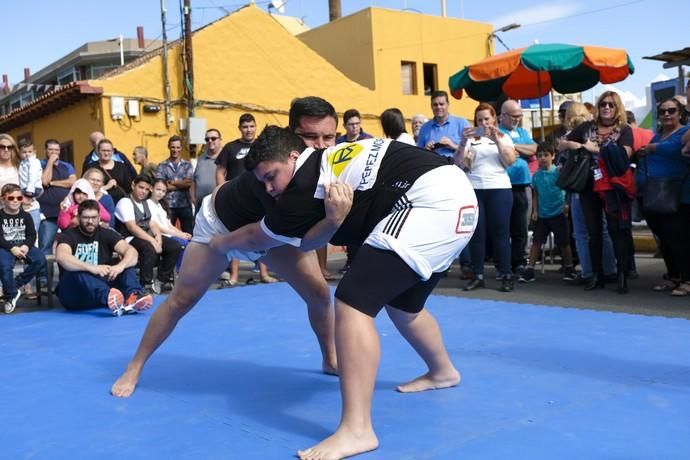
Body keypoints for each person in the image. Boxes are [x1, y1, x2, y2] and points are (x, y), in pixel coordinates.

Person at [210, 126, 478, 460]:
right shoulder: (329, 160)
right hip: (459, 200)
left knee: (352, 303)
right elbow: (310, 242)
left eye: (271, 176)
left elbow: (257, 240)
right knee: (403, 307)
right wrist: (333, 221)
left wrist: (217, 243)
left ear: (293, 157)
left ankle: (357, 430)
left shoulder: (301, 189)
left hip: (430, 204)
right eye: (262, 181)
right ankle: (442, 372)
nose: (268, 188)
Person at [110, 96, 341, 399]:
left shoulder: (330, 164)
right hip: (220, 227)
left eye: (329, 136)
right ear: (292, 137)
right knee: (181, 301)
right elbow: (276, 236)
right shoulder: (270, 174)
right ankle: (135, 366)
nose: (322, 145)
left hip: (267, 234)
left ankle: (330, 358)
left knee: (320, 293)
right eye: (311, 137)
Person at [562, 90, 635, 293]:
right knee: (593, 232)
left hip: (613, 186)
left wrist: (597, 150)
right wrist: (579, 145)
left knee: (616, 231)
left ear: (617, 107)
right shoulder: (586, 127)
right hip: (588, 185)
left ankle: (621, 274)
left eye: (611, 105)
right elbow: (561, 144)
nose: (606, 108)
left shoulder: (625, 129)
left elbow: (625, 156)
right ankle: (596, 275)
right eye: (603, 104)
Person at [456, 103, 517, 292]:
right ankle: (478, 275)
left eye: (487, 119)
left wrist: (496, 139)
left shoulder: (503, 136)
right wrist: (461, 143)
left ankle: (506, 274)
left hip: (498, 188)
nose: (484, 123)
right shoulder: (470, 139)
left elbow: (509, 161)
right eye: (480, 120)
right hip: (474, 188)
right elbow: (461, 164)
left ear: (494, 120)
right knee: (476, 235)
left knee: (501, 234)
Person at [55, 199, 152, 315]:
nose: (90, 221)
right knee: (76, 271)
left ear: (99, 217)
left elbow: (131, 252)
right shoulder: (68, 236)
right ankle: (110, 297)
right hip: (76, 295)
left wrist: (120, 266)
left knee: (126, 265)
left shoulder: (106, 233)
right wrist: (92, 268)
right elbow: (62, 257)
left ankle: (133, 296)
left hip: (102, 292)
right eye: (86, 218)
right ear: (78, 217)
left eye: (94, 217)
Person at [636, 98, 690, 296]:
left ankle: (687, 279)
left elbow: (675, 148)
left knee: (679, 238)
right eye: (663, 111)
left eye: (672, 110)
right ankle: (674, 276)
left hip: (677, 194)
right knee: (664, 240)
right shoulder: (656, 136)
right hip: (654, 194)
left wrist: (651, 148)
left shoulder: (685, 132)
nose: (667, 114)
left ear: (680, 113)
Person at [558, 102, 617, 285]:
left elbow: (561, 159)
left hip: (580, 185)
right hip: (600, 182)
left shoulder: (571, 135)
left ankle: (588, 271)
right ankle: (609, 269)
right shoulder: (596, 131)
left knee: (582, 232)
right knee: (603, 229)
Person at [214, 114, 274, 285]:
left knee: (264, 235)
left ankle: (264, 274)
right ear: (240, 128)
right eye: (245, 127)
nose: (248, 130)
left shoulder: (263, 147)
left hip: (261, 198)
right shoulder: (231, 148)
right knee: (235, 236)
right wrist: (221, 190)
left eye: (251, 126)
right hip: (236, 199)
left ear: (256, 127)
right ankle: (233, 276)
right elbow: (220, 170)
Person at [115, 175, 182, 294]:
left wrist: (158, 238)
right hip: (129, 238)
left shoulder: (145, 203)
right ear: (133, 185)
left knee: (174, 246)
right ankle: (145, 284)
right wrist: (152, 241)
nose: (144, 192)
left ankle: (161, 280)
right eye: (141, 187)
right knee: (149, 248)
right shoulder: (125, 202)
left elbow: (152, 223)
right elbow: (132, 227)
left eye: (146, 189)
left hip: (145, 236)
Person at [521, 141, 575, 282]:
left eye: (546, 155)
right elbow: (536, 194)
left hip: (559, 213)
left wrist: (567, 205)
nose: (543, 158)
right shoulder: (536, 176)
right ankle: (530, 269)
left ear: (553, 156)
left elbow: (568, 190)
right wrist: (535, 211)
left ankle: (569, 268)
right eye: (539, 156)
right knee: (536, 242)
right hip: (543, 215)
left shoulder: (558, 172)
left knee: (564, 242)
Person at [498, 100, 537, 279]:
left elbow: (534, 148)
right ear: (503, 115)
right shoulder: (497, 132)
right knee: (503, 228)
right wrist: (520, 150)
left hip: (523, 185)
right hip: (503, 185)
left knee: (521, 228)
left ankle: (518, 263)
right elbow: (503, 150)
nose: (517, 119)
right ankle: (503, 265)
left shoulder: (522, 132)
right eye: (514, 116)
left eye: (519, 116)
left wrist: (512, 148)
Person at [0, 183, 45, 314]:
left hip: (24, 245)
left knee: (40, 259)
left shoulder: (26, 215)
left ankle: (15, 285)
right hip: (5, 247)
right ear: (3, 199)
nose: (15, 201)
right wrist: (12, 248)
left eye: (19, 198)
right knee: (4, 265)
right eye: (11, 198)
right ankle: (11, 295)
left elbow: (32, 234)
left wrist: (26, 246)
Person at [38, 139, 76, 256]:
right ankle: (45, 274)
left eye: (57, 150)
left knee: (70, 243)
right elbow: (45, 181)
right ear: (45, 150)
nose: (54, 153)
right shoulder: (40, 164)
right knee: (45, 246)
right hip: (48, 213)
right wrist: (50, 163)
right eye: (51, 150)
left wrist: (53, 183)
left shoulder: (66, 166)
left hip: (66, 212)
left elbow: (72, 181)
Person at [156, 135, 195, 234]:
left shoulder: (187, 165)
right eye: (173, 147)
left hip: (185, 205)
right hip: (168, 206)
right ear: (168, 147)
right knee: (169, 233)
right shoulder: (162, 165)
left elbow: (189, 183)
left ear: (181, 148)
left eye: (178, 147)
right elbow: (161, 186)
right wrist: (181, 184)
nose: (175, 150)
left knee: (189, 233)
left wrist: (172, 182)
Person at [416, 90, 471, 158]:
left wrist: (452, 145)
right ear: (431, 106)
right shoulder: (424, 128)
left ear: (448, 104)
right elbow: (418, 156)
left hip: (456, 166)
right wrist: (426, 150)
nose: (438, 107)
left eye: (441, 104)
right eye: (435, 105)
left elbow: (471, 151)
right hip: (434, 166)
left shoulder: (462, 123)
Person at [86, 138, 135, 205]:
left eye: (109, 150)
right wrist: (107, 186)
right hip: (100, 204)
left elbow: (129, 188)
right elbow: (86, 188)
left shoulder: (122, 167)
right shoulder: (91, 167)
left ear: (112, 152)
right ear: (98, 151)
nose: (106, 153)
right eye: (103, 150)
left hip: (121, 204)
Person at [192, 128, 223, 212]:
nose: (210, 141)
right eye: (207, 139)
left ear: (220, 139)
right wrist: (193, 198)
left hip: (218, 205)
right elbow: (194, 180)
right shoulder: (201, 158)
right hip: (200, 205)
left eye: (213, 138)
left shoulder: (225, 157)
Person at [17, 140, 42, 232]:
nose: (27, 154)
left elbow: (33, 176)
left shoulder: (34, 162)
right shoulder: (23, 163)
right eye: (24, 152)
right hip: (25, 189)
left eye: (30, 152)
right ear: (20, 153)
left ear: (34, 152)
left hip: (33, 188)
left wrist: (29, 191)